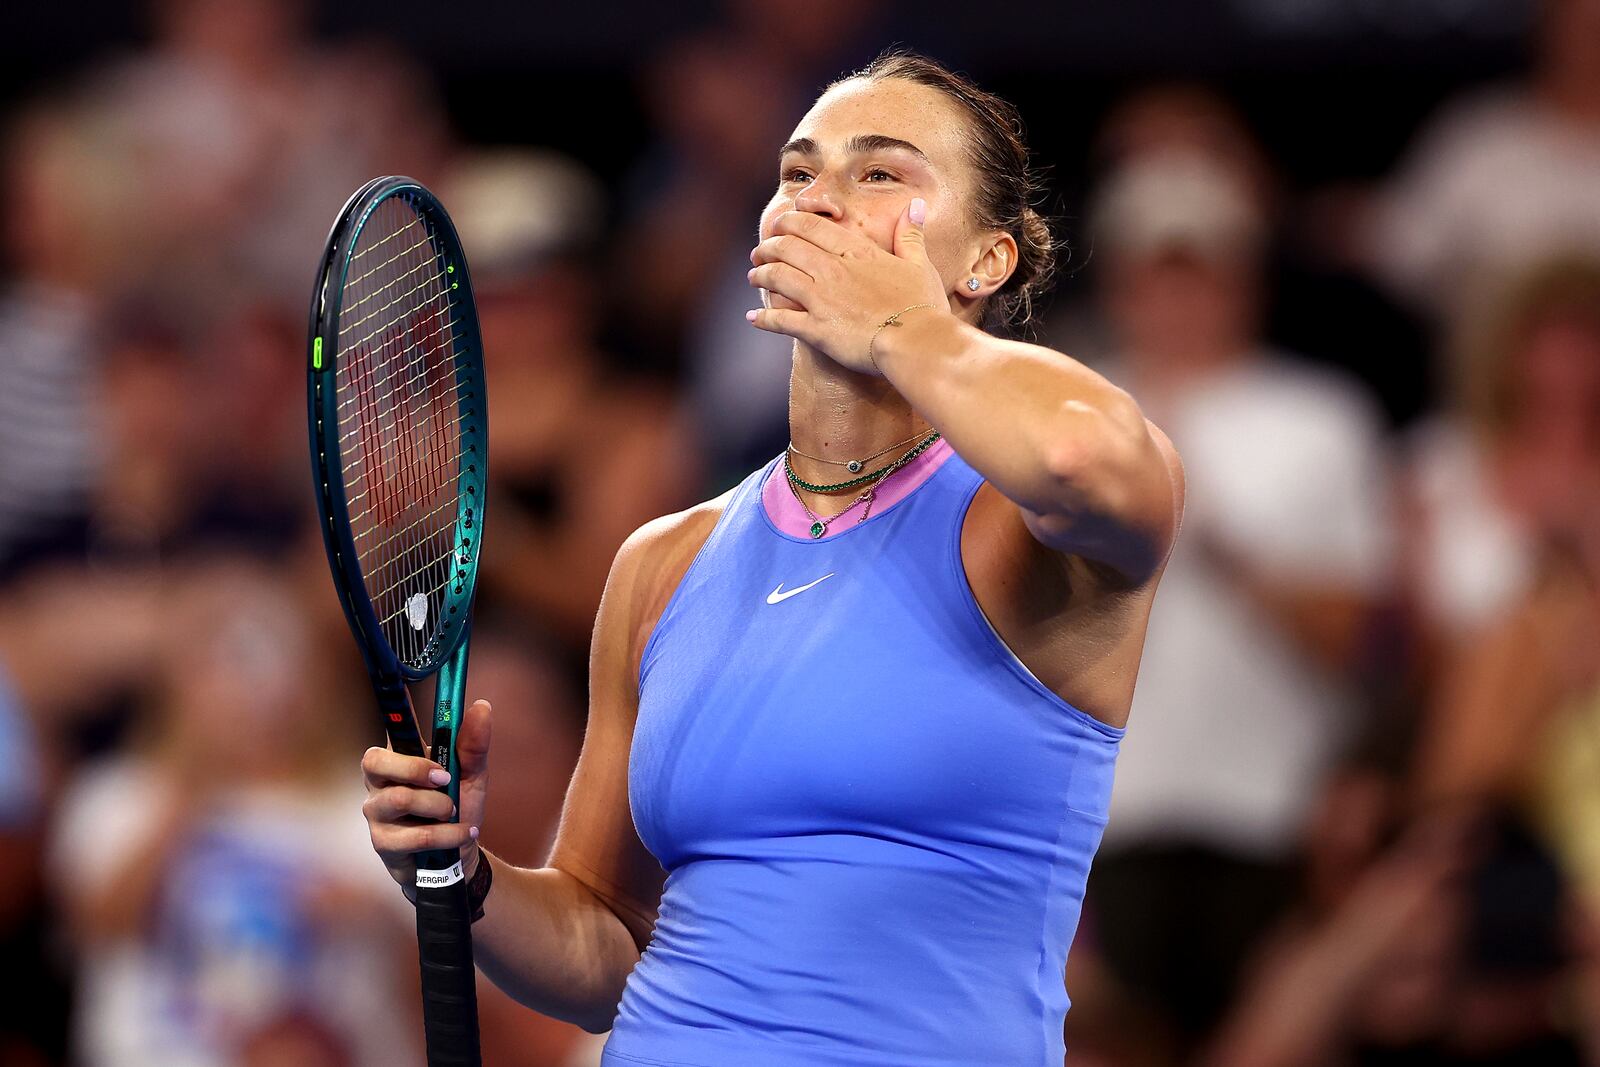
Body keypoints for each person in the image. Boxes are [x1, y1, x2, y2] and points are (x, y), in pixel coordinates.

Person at [361, 50, 1184, 1065]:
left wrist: (895, 322)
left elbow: (1074, 450)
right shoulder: (663, 562)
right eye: (798, 173)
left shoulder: (1019, 521)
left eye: (879, 173)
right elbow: (602, 936)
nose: (820, 198)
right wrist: (465, 875)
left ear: (987, 262)